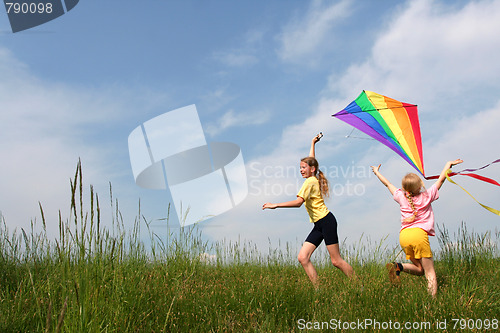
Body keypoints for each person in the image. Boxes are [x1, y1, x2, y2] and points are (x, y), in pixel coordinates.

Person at [263, 134, 354, 286]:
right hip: (319, 224)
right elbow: (312, 160)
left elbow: (299, 202)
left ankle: (359, 285)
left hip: (326, 221)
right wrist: (313, 143)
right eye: (300, 167)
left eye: (303, 167)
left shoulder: (309, 183)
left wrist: (276, 205)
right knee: (303, 257)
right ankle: (318, 289)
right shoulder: (313, 177)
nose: (301, 170)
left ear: (311, 169)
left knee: (336, 261)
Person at [371, 159, 463, 297]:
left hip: (404, 236)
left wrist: (377, 172)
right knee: (430, 272)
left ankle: (398, 266)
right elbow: (441, 179)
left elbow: (387, 184)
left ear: (404, 188)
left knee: (420, 270)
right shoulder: (426, 196)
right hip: (419, 235)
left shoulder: (401, 196)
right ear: (419, 187)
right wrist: (448, 164)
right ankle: (432, 302)